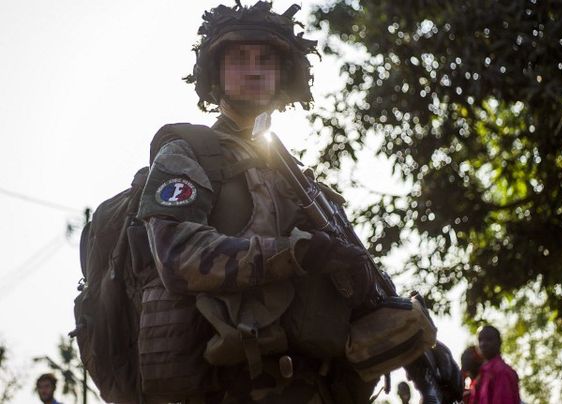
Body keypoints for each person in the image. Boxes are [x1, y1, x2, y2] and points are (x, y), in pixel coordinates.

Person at [132, 1, 460, 403]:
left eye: (265, 60)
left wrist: (419, 349)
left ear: (282, 75)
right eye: (238, 58)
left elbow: (360, 283)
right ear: (215, 73)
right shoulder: (188, 154)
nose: (253, 69)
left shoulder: (299, 180)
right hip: (235, 386)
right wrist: (295, 254)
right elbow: (176, 256)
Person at [467, 325, 520, 404]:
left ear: (499, 342)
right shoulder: (482, 374)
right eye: (480, 340)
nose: (482, 344)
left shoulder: (501, 372)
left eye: (488, 339)